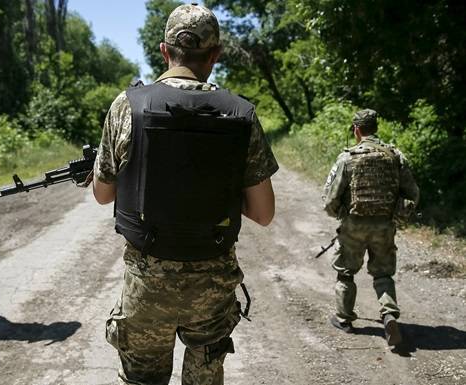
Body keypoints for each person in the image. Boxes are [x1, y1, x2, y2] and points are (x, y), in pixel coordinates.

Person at [92, 4, 278, 384]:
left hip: (148, 285)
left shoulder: (127, 106)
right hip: (211, 285)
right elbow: (263, 213)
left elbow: (102, 194)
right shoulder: (241, 113)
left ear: (164, 50)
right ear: (215, 55)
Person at [323, 109, 419, 346]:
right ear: (376, 128)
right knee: (383, 273)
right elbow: (413, 193)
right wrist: (397, 217)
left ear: (356, 130)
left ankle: (344, 318)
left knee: (346, 271)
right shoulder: (395, 156)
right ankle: (388, 314)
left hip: (354, 224)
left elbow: (331, 198)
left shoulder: (348, 158)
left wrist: (340, 216)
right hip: (385, 225)